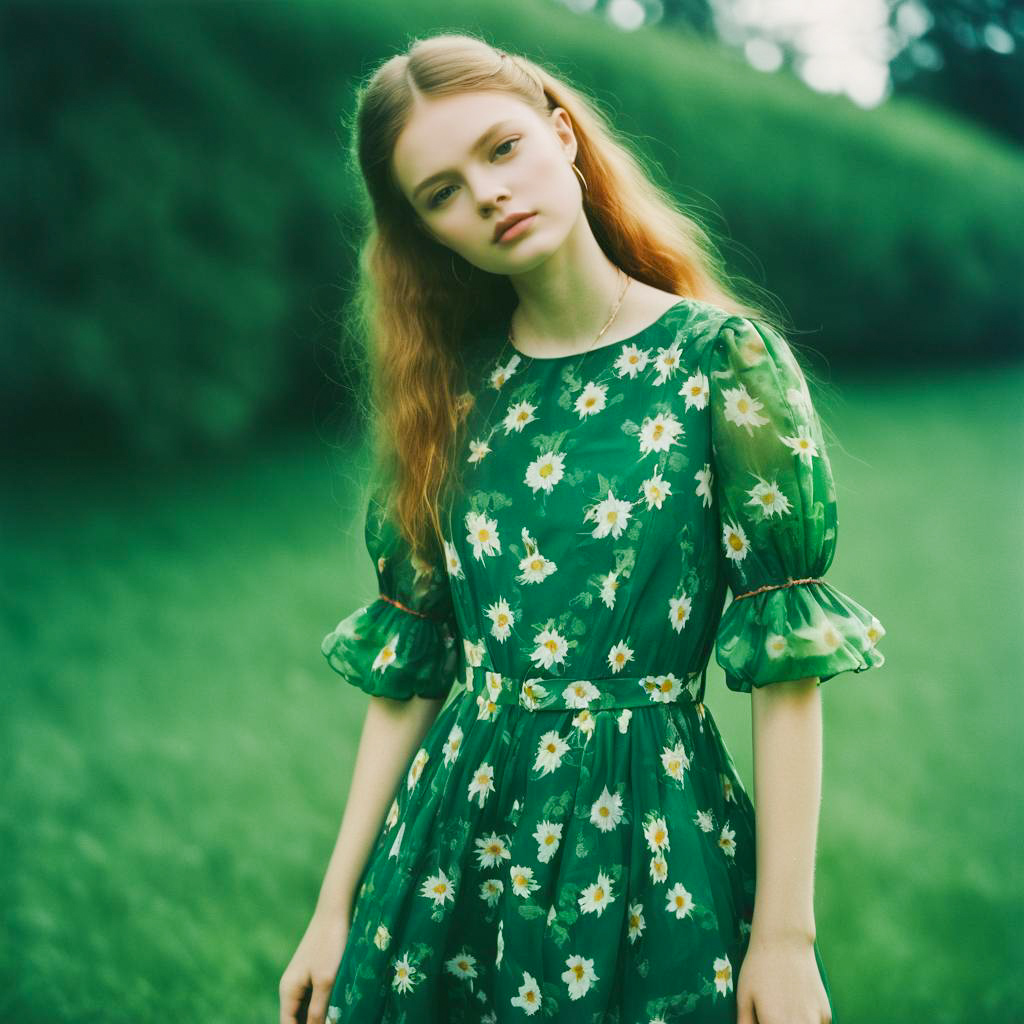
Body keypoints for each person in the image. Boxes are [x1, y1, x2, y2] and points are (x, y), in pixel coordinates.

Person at [279, 32, 887, 1024]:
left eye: (501, 148)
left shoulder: (719, 361)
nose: (484, 193)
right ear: (429, 231)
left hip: (648, 838)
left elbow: (785, 669)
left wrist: (783, 936)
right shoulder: (451, 396)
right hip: (454, 845)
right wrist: (332, 905)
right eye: (440, 192)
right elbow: (411, 669)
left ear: (561, 134)